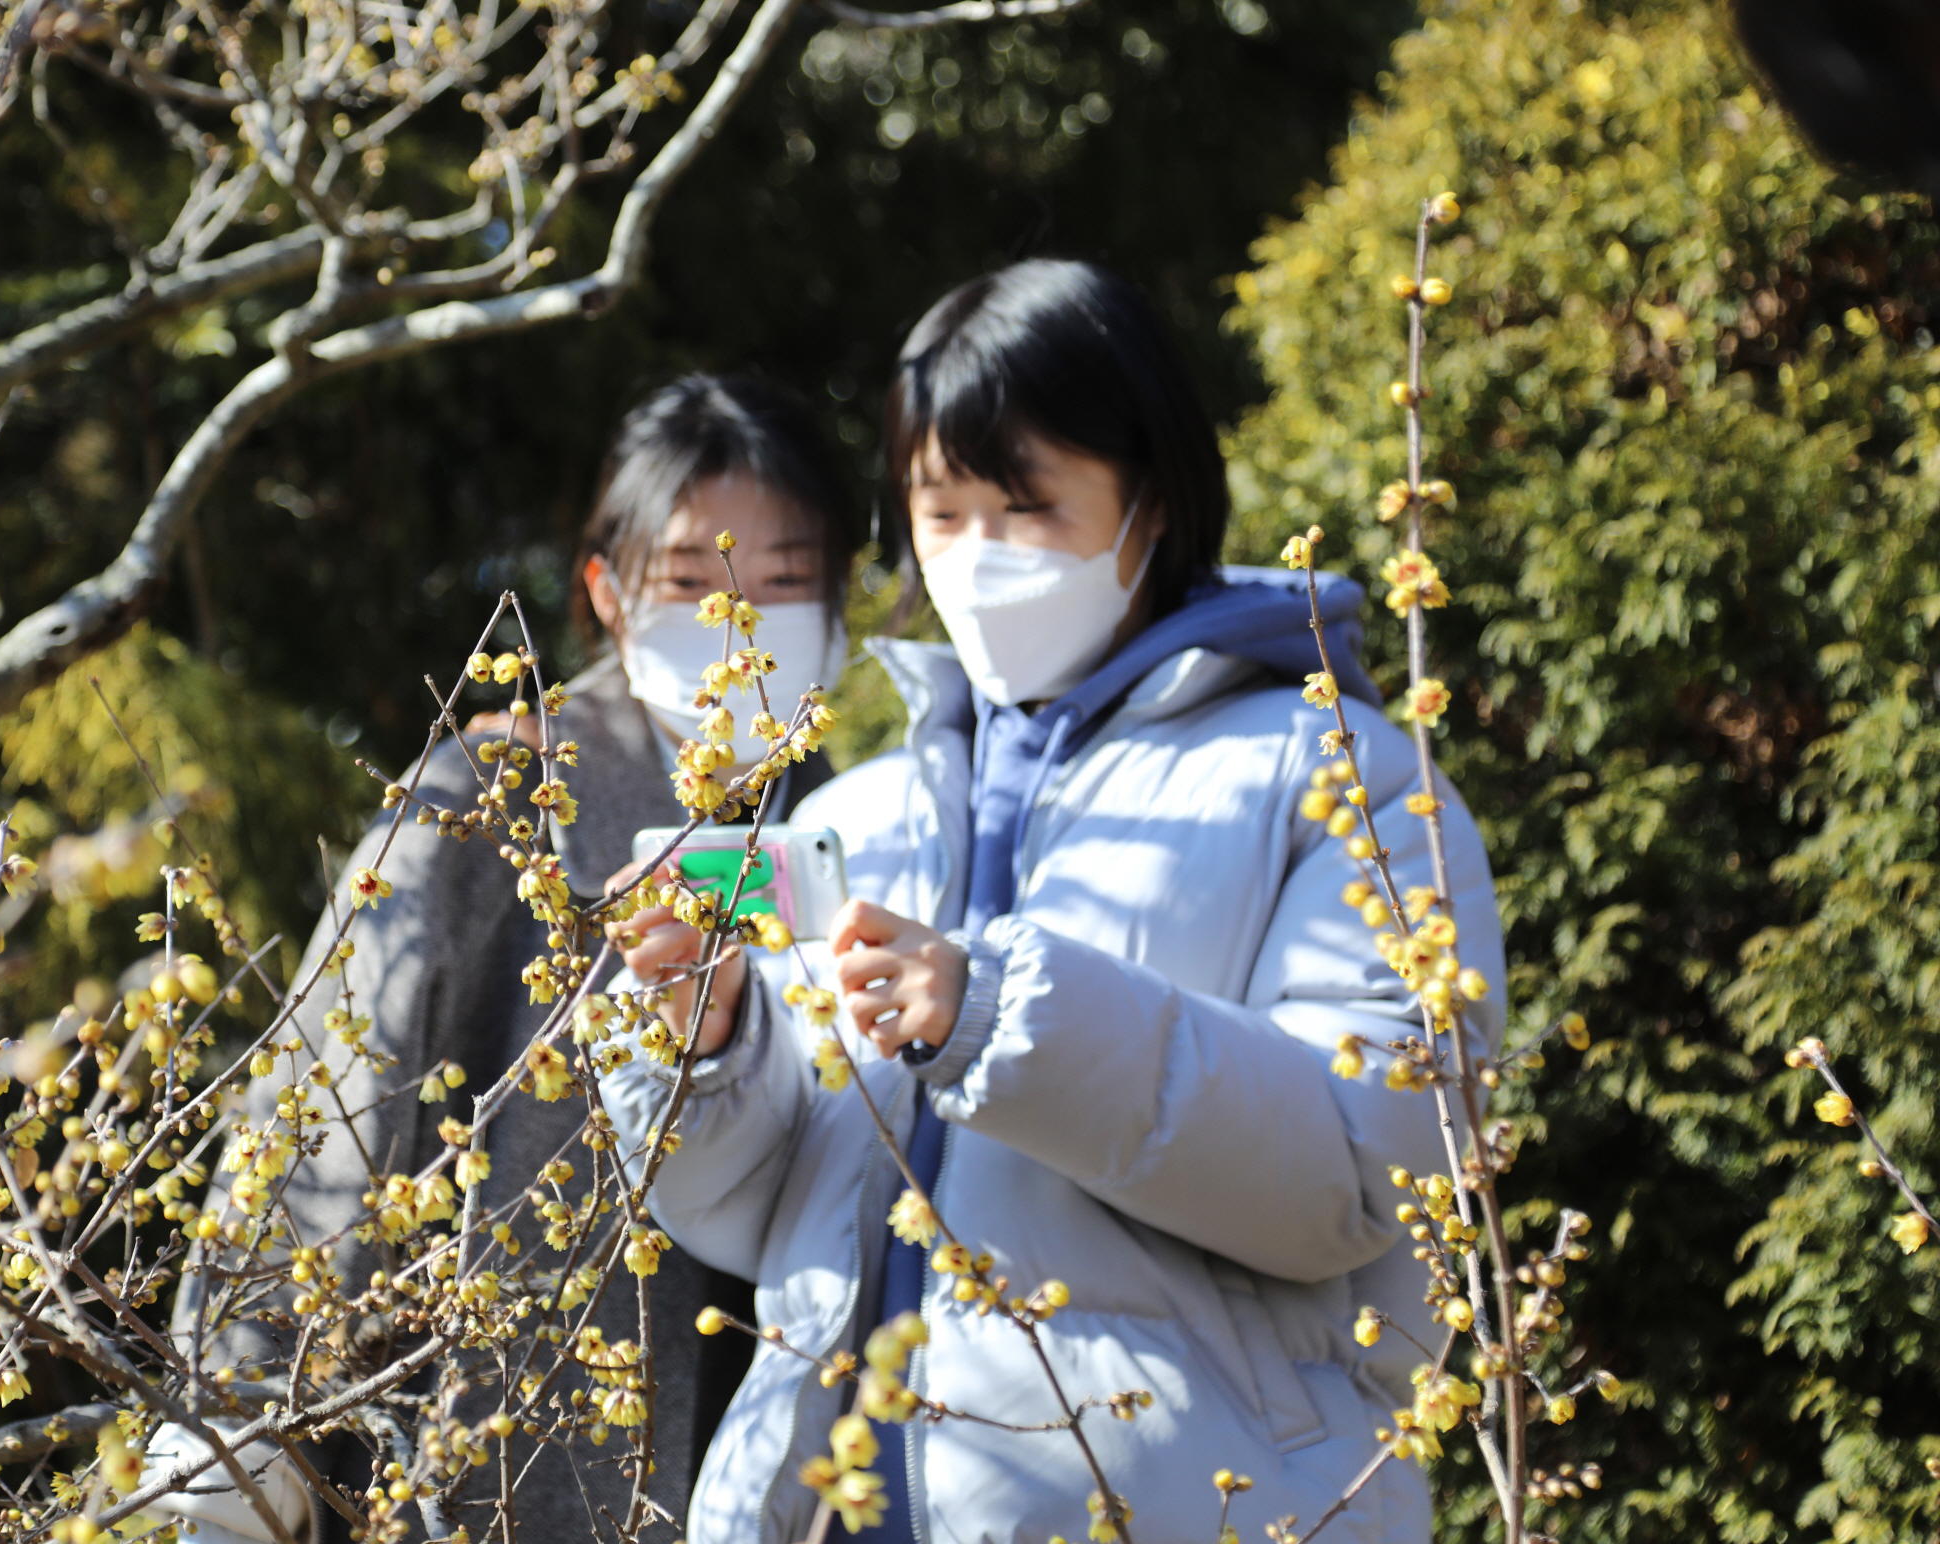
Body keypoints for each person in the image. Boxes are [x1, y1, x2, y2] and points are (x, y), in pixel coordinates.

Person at [599, 261, 1506, 1544]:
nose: (977, 559)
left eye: (1025, 508)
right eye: (940, 512)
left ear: (1152, 494)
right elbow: (755, 1219)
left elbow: (1367, 1180)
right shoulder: (861, 809)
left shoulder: (1339, 776)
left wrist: (1003, 1015)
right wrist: (702, 1043)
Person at [150, 373, 862, 1543]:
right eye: (692, 578)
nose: (742, 616)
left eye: (785, 580)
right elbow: (333, 1092)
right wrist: (240, 1413)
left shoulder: (872, 828)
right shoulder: (495, 794)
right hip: (500, 1449)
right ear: (608, 590)